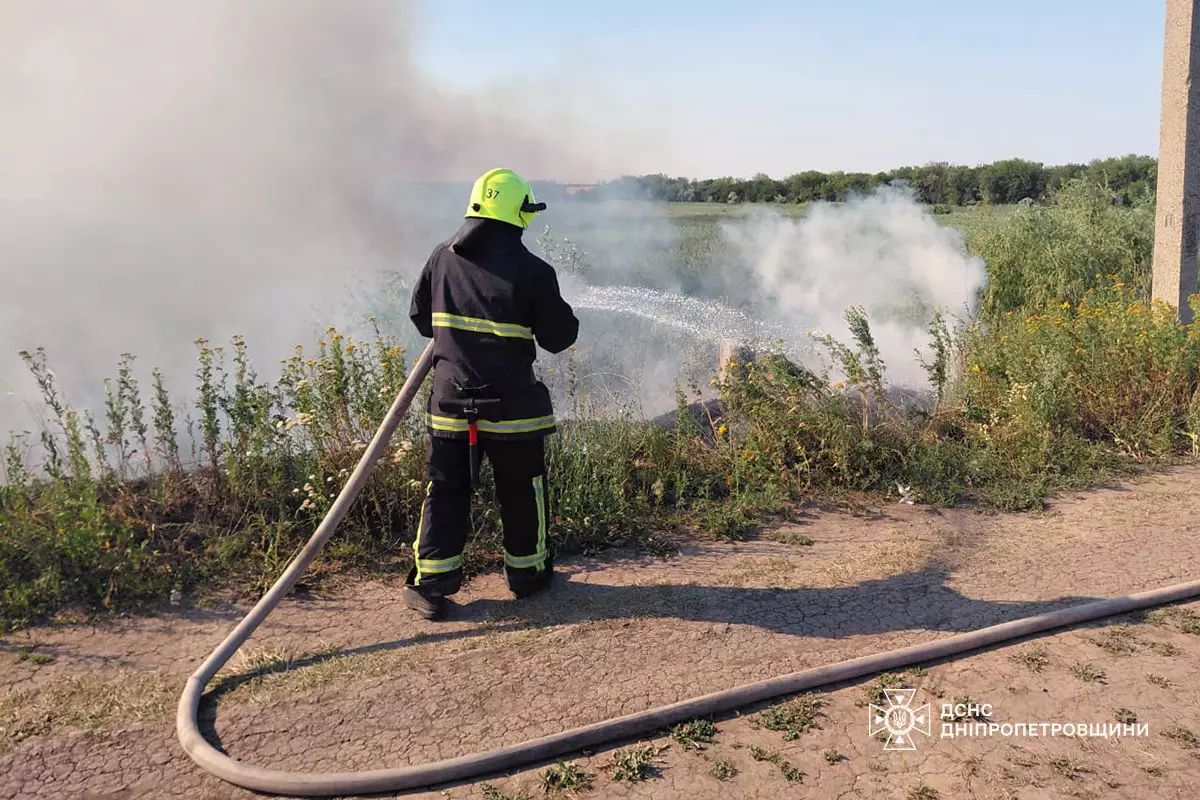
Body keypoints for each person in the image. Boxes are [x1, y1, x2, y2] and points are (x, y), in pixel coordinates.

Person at [404, 168, 579, 620]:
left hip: (451, 407)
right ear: (518, 214)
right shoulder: (535, 272)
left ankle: (432, 585)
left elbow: (422, 320)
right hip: (513, 410)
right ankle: (527, 575)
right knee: (522, 491)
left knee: (446, 491)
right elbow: (559, 338)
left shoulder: (440, 259)